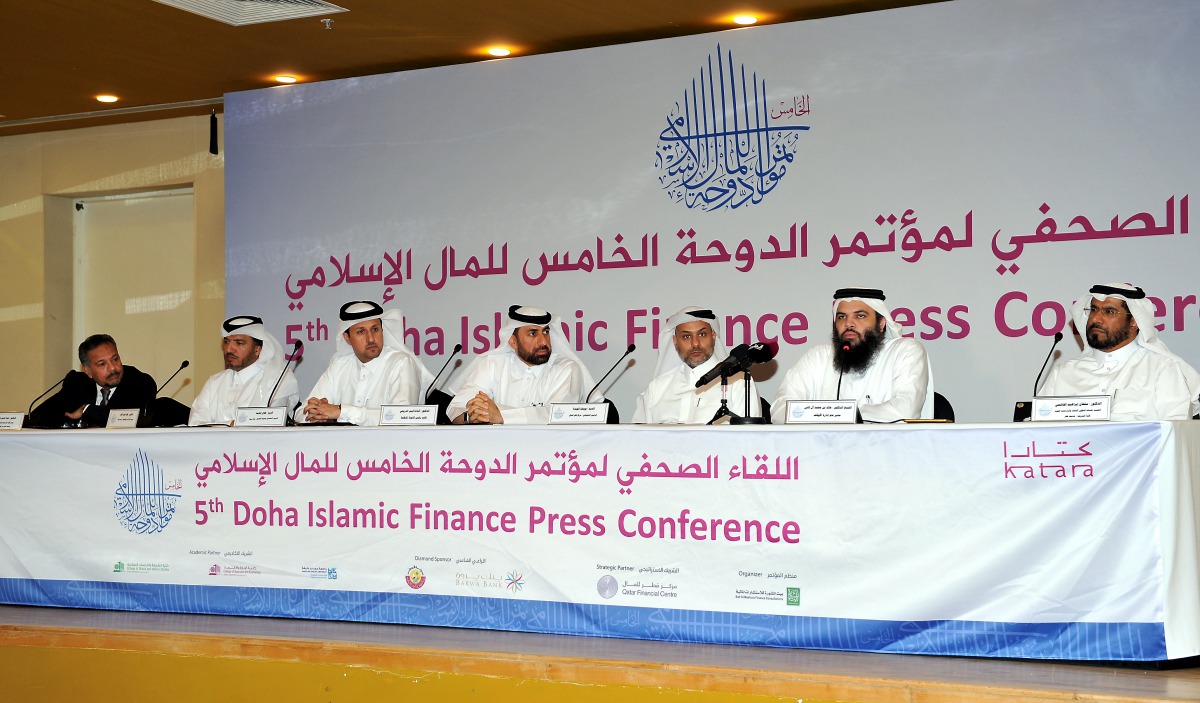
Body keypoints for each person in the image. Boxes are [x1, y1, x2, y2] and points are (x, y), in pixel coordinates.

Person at [1038, 282, 1200, 420]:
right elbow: (1038, 429)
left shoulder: (1163, 370)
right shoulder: (1063, 374)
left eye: (1109, 311)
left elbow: (1176, 433)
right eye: (1093, 309)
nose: (1095, 319)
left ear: (1134, 322)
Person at [771, 287, 934, 423]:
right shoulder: (817, 357)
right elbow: (780, 410)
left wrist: (840, 414)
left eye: (860, 316)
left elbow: (905, 410)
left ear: (881, 323)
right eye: (841, 317)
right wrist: (834, 414)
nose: (848, 323)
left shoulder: (905, 351)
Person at [448, 305, 597, 424]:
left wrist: (500, 416)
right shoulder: (492, 364)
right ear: (513, 342)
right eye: (533, 333)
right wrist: (471, 416)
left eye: (546, 332)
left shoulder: (567, 369)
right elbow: (456, 408)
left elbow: (557, 415)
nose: (543, 341)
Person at [296, 301, 434, 426]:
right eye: (361, 332)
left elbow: (401, 416)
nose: (371, 339)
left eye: (375, 329)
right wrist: (318, 413)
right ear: (347, 338)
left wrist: (341, 411)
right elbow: (301, 413)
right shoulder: (339, 366)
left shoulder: (401, 362)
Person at [632, 306, 761, 424]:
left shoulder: (739, 383)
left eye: (702, 334)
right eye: (686, 336)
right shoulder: (657, 388)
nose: (695, 344)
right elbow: (636, 437)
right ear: (675, 342)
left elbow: (748, 438)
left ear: (713, 336)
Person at [188, 316, 299, 426]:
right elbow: (195, 424)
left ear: (257, 349)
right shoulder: (214, 382)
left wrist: (226, 425)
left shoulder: (277, 380)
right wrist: (231, 424)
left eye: (239, 343)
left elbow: (272, 424)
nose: (229, 349)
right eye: (226, 342)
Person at [29, 334, 158, 428]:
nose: (113, 368)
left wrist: (86, 410)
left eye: (115, 359)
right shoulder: (77, 383)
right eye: (102, 364)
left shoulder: (140, 382)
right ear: (88, 371)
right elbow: (37, 417)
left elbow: (123, 418)